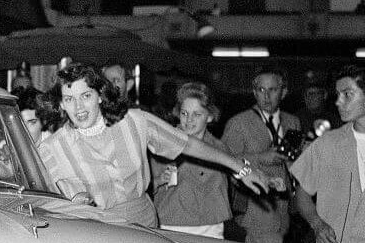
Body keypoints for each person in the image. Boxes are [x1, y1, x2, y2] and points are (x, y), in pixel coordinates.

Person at [40, 62, 268, 227]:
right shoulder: (52, 148)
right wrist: (78, 201)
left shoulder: (135, 121)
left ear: (100, 96)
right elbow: (58, 196)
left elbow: (188, 144)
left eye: (86, 96)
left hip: (145, 224)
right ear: (61, 104)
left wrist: (240, 167)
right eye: (69, 99)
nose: (79, 107)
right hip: (97, 233)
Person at [290, 64, 365, 243]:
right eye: (338, 95)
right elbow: (301, 195)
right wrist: (317, 224)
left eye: (348, 94)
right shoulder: (327, 144)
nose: (338, 101)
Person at [220, 67, 301, 243]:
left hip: (285, 206)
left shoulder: (293, 122)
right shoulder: (238, 123)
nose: (266, 96)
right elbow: (225, 160)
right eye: (261, 90)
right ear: (254, 92)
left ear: (283, 92)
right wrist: (260, 158)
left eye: (272, 90)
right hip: (255, 206)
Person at [150, 82, 233, 237]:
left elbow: (236, 178)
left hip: (210, 225)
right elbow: (146, 187)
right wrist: (160, 180)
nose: (189, 120)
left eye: (197, 114)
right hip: (172, 223)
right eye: (184, 113)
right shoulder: (163, 143)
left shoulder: (219, 148)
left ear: (209, 117)